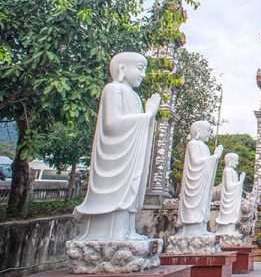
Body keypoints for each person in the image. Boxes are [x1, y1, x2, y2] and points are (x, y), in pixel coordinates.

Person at [73, 52, 160, 241]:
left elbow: (138, 128)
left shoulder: (135, 97)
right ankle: (105, 234)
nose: (143, 74)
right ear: (122, 68)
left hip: (128, 158)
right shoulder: (112, 89)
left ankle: (126, 231)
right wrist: (146, 116)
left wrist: (148, 117)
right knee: (116, 195)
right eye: (140, 68)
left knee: (128, 194)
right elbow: (112, 124)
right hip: (114, 157)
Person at [177, 120, 222, 235]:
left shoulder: (204, 147)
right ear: (198, 131)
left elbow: (206, 166)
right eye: (208, 130)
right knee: (193, 206)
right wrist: (215, 157)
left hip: (202, 185)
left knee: (202, 204)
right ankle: (191, 230)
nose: (209, 134)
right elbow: (197, 163)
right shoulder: (193, 144)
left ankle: (200, 228)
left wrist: (214, 158)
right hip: (194, 184)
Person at [216, 153, 245, 235]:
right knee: (228, 217)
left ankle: (230, 229)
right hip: (228, 200)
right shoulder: (227, 170)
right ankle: (226, 230)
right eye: (236, 161)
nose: (237, 163)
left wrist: (240, 183)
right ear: (230, 160)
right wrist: (240, 182)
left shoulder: (233, 171)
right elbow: (229, 187)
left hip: (232, 199)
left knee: (231, 217)